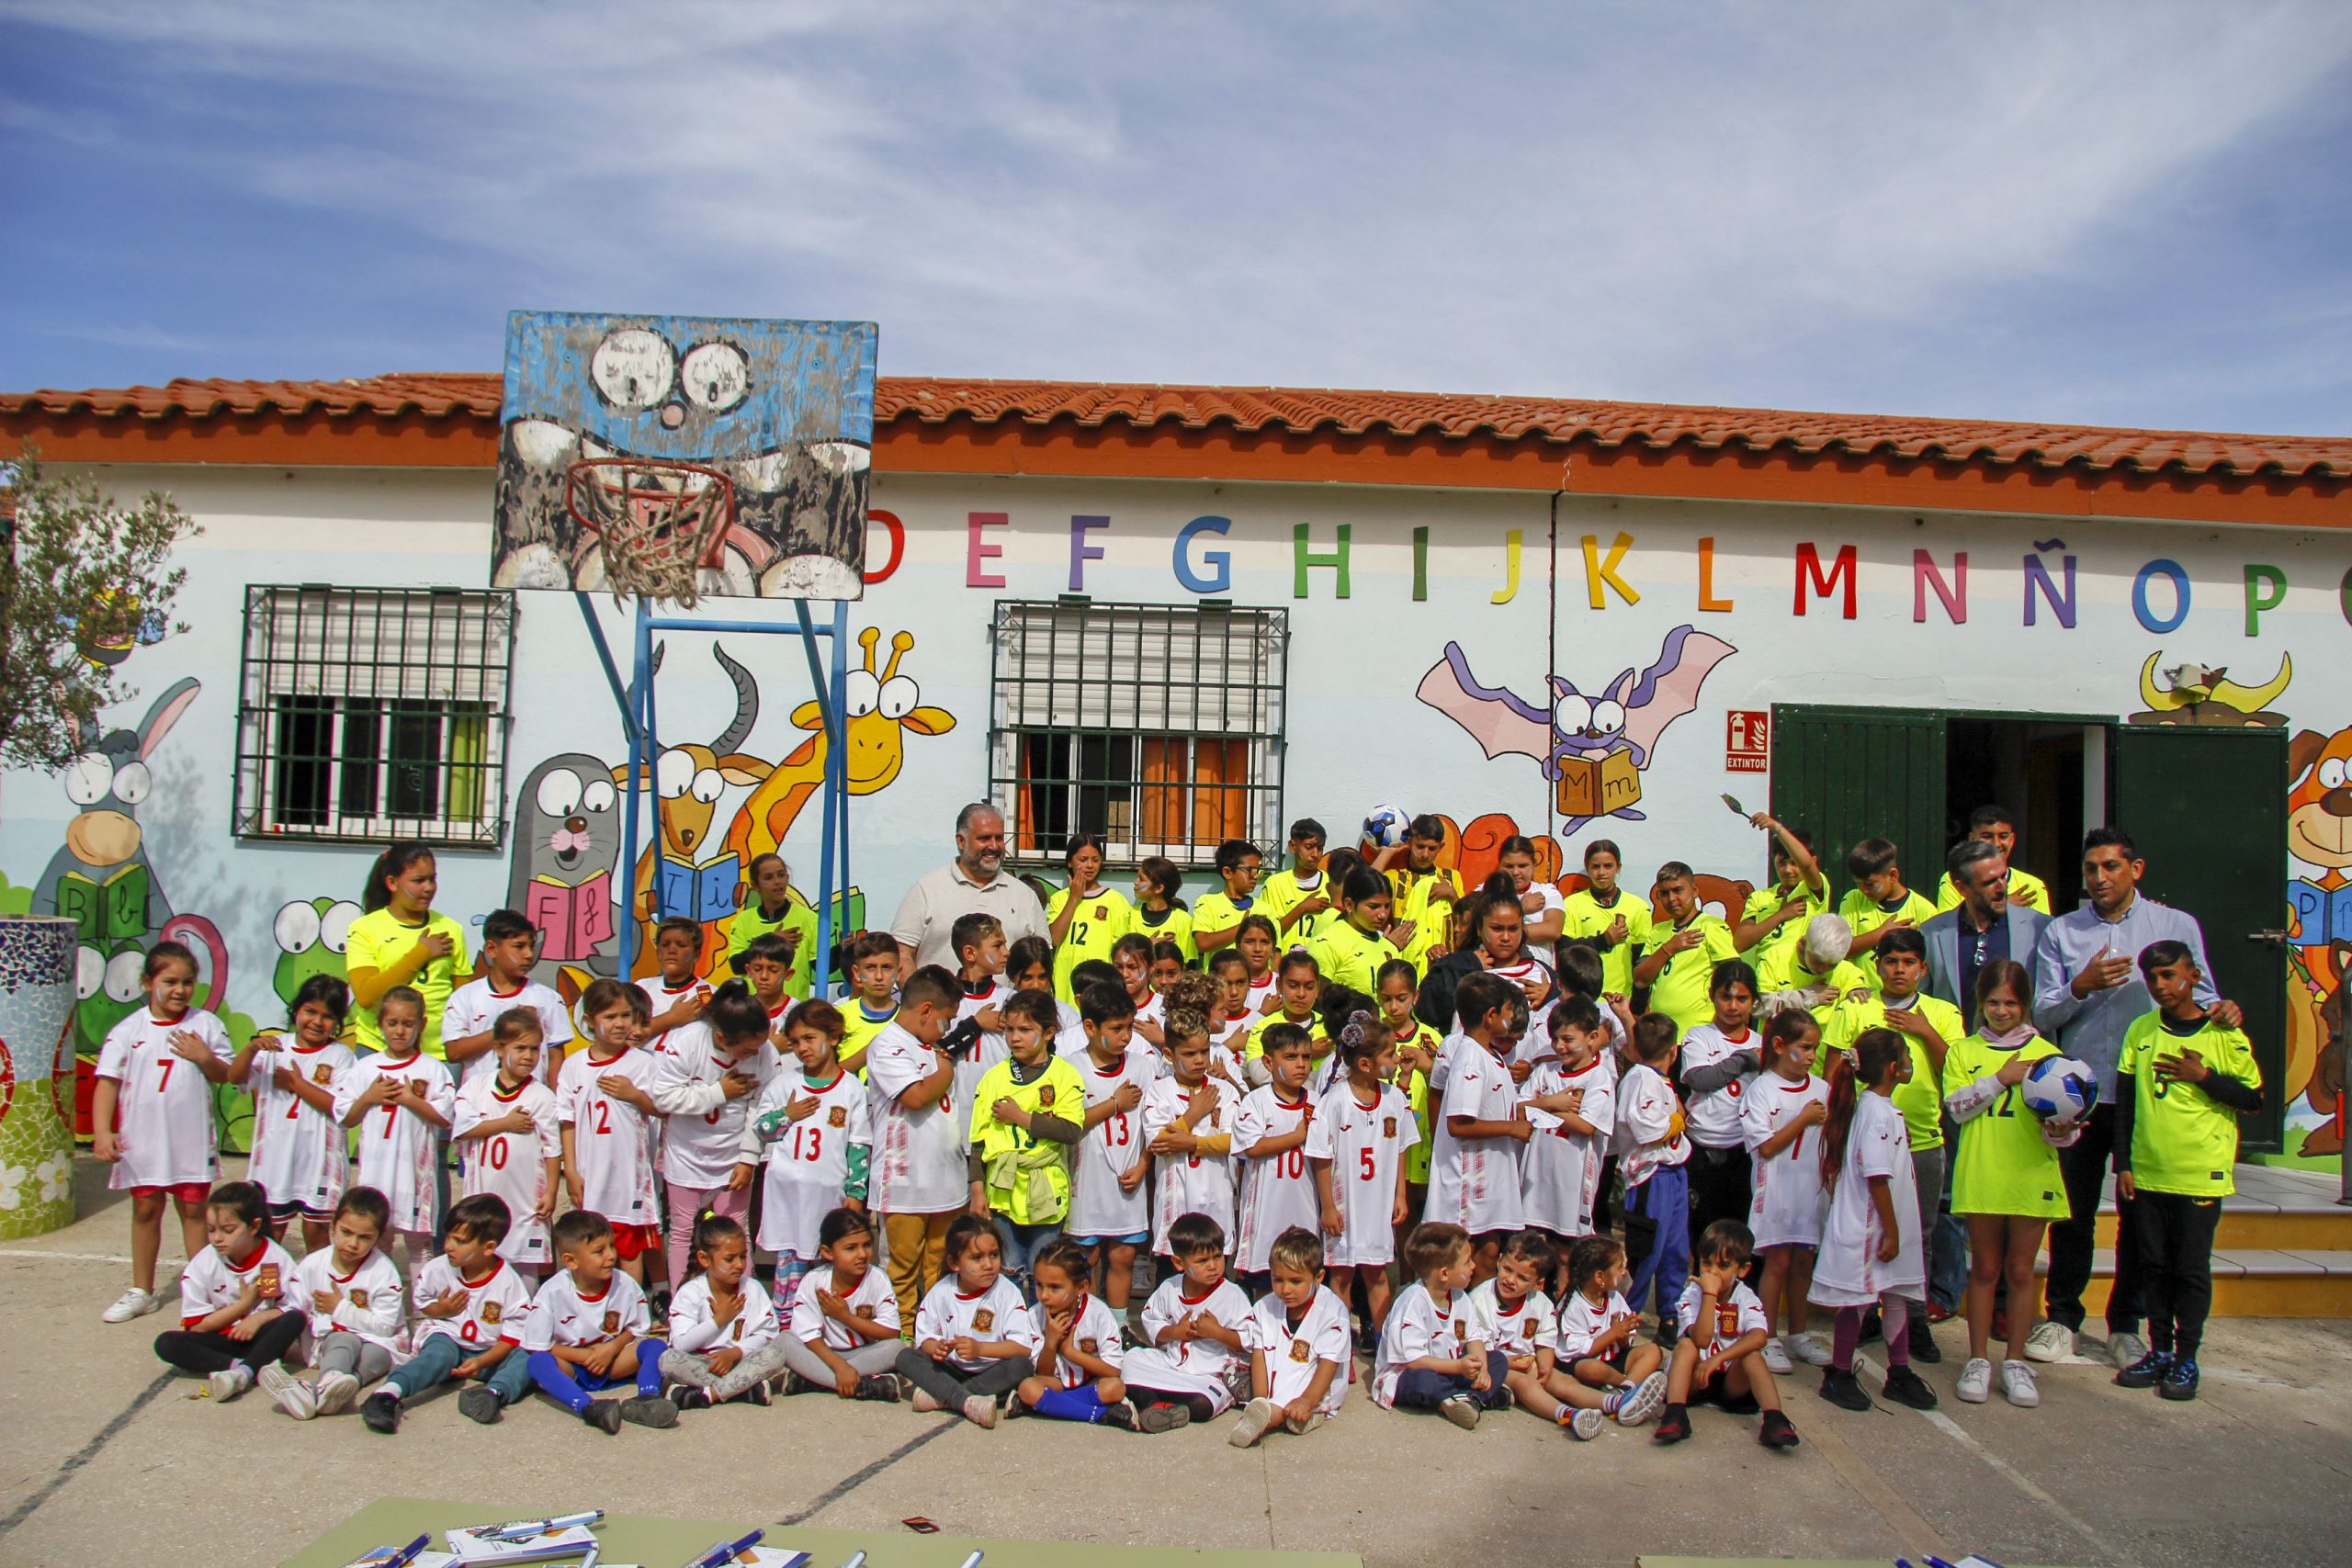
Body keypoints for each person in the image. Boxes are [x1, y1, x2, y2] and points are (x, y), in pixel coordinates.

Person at [2030, 827, 2234, 1369]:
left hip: (2151, 1094)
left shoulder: (2175, 925)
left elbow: (2205, 996)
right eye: (2091, 869)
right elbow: (2042, 1015)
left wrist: (2225, 1011)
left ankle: (2126, 1322)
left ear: (2135, 869)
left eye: (2111, 867)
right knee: (2071, 1211)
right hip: (2080, 1089)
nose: (2099, 878)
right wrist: (2083, 984)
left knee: (2138, 1214)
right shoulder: (2062, 932)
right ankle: (2063, 1317)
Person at [2111, 941, 2265, 1402]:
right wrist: (2123, 1163)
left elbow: (2253, 1099)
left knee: (2190, 1267)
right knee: (2153, 1264)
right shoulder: (2140, 1030)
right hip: (2149, 1171)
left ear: (2193, 976)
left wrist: (2205, 1079)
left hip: (2199, 1172)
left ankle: (2187, 1356)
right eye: (2153, 978)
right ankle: (2158, 1350)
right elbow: (2126, 1103)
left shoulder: (2222, 1033)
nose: (2161, 986)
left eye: (2170, 976)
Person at [1820, 925, 1962, 1363]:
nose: (1899, 970)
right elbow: (1831, 1075)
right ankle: (1865, 1314)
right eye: (1890, 962)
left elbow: (1958, 1072)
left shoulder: (1942, 1012)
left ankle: (1915, 1321)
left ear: (1922, 969)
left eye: (1908, 963)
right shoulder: (1857, 1008)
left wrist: (1923, 1031)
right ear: (1876, 966)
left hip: (1923, 1141)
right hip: (1865, 1142)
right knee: (1868, 1229)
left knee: (1920, 1233)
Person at [1944, 959, 2072, 1407]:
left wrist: (2063, 1130)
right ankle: (1977, 1359)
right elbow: (1957, 1108)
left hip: (2030, 1172)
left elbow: (2066, 1121)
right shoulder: (1963, 1051)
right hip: (1983, 1171)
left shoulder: (2048, 1056)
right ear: (1980, 1004)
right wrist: (2001, 1078)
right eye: (1993, 1003)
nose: (2001, 1011)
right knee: (1983, 1269)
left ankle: (2016, 1362)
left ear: (2025, 1004)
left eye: (2011, 1003)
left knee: (2020, 1271)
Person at [95, 940, 232, 1324]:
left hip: (189, 1141)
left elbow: (228, 1074)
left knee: (193, 1211)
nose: (179, 990)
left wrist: (204, 1057)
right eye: (170, 981)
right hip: (144, 1142)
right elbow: (107, 1082)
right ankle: (143, 1290)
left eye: (188, 982)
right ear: (146, 982)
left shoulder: (205, 1025)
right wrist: (102, 1132)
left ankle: (205, 1291)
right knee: (146, 1208)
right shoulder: (129, 1029)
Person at [1810, 1028, 1937, 1413]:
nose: (1912, 1065)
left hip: (1887, 1224)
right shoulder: (1875, 1113)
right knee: (1859, 1299)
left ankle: (1899, 1372)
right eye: (1909, 1059)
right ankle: (1839, 1372)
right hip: (1873, 1228)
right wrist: (1893, 1231)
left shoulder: (1881, 1109)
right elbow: (1876, 1175)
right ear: (1895, 1068)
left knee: (1895, 1293)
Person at [358, 1193, 534, 1433]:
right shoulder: (439, 1268)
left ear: (489, 1247)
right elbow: (422, 1301)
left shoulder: (509, 1283)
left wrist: (482, 1361)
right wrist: (441, 1310)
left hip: (488, 1352)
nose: (448, 1245)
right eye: (449, 1236)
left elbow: (512, 1336)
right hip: (449, 1338)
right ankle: (387, 1394)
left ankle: (492, 1395)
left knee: (527, 1359)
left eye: (459, 1240)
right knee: (437, 1356)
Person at [739, 998, 872, 1309]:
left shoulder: (851, 1089)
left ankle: (824, 1327)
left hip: (828, 1196)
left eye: (810, 1038)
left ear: (834, 1037)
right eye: (796, 1041)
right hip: (787, 1196)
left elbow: (859, 1145)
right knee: (790, 1265)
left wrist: (856, 1191)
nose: (802, 1048)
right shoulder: (785, 1084)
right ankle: (786, 1325)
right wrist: (787, 1115)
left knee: (827, 1265)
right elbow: (761, 1128)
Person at [869, 965, 984, 1322]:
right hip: (905, 1184)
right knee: (902, 1266)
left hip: (947, 1183)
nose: (947, 1029)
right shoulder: (887, 1044)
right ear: (925, 1011)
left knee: (941, 1265)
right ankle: (899, 1329)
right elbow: (916, 1097)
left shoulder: (930, 1046)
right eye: (946, 1020)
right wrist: (946, 1070)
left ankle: (935, 1326)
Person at [649, 979, 779, 1290]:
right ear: (721, 1037)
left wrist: (748, 1159)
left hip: (732, 1158)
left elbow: (760, 1109)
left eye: (758, 1048)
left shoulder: (764, 1053)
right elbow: (664, 1098)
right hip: (685, 1155)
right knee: (682, 1231)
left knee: (736, 1230)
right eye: (746, 1050)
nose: (753, 1054)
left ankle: (745, 1303)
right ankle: (681, 1302)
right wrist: (718, 1092)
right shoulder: (686, 1043)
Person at [1306, 1012, 1417, 1337]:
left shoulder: (1395, 1099)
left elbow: (1400, 1149)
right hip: (1346, 1206)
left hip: (1378, 1206)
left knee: (1378, 1274)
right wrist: (1328, 1206)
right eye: (1390, 1054)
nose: (1396, 1060)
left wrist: (1400, 1195)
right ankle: (1338, 1350)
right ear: (1366, 1064)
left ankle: (1385, 1349)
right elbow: (1322, 1157)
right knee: (1340, 1276)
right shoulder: (1334, 1101)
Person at [966, 988, 1085, 1286]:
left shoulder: (1064, 1076)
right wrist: (977, 1190)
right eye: (1009, 1030)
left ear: (1048, 1032)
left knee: (1043, 1269)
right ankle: (1014, 1331)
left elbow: (1070, 1130)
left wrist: (1021, 1117)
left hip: (1046, 1189)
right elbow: (979, 1140)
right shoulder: (993, 1077)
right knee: (1008, 1270)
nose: (1015, 1038)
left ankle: (1042, 1330)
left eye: (1025, 1030)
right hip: (1002, 1191)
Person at [334, 985, 454, 1278]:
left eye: (408, 1023)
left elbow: (445, 1118)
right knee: (377, 1243)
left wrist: (412, 1100)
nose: (400, 1031)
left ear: (422, 1024)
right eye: (393, 1023)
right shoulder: (365, 1068)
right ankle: (379, 1304)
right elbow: (345, 1117)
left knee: (419, 1246)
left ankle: (425, 1313)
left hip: (415, 1177)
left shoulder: (433, 1069)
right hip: (377, 1174)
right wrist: (368, 1098)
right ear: (380, 1024)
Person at [522, 1208, 679, 1432]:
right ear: (571, 1261)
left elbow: (637, 1329)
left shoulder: (625, 1284)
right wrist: (583, 1356)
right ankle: (590, 1408)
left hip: (613, 1361)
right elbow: (539, 1345)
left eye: (611, 1246)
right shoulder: (551, 1292)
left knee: (655, 1346)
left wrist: (612, 1348)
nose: (611, 1256)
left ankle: (647, 1397)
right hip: (573, 1366)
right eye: (599, 1251)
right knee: (537, 1363)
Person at [231, 973, 354, 1252]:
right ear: (296, 1009)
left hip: (319, 1163)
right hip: (274, 1161)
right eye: (310, 1011)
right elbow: (235, 1078)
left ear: (337, 1022)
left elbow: (338, 1107)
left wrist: (296, 1084)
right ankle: (270, 1293)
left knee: (316, 1232)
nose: (317, 1022)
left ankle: (313, 1293)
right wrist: (250, 1049)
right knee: (270, 1235)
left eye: (328, 1016)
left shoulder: (340, 1056)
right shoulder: (272, 1048)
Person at [150, 1179, 302, 1403]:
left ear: (254, 1226)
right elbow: (197, 1327)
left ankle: (243, 1374)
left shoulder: (274, 1259)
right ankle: (243, 1368)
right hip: (219, 1340)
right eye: (211, 1230)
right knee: (166, 1343)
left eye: (228, 1230)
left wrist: (258, 1318)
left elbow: (291, 1306)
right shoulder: (203, 1264)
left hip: (258, 1337)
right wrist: (244, 1305)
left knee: (294, 1319)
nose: (217, 1238)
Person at [556, 978, 665, 1288]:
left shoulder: (644, 1064)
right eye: (610, 1017)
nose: (620, 1024)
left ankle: (634, 1307)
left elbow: (664, 1110)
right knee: (592, 1241)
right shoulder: (573, 1066)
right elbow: (567, 1121)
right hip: (591, 1173)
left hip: (629, 1175)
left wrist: (634, 1095)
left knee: (630, 1246)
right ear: (590, 1021)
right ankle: (594, 1305)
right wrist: (572, 1171)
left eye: (625, 1016)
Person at [1653, 1219, 1800, 1448]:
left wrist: (1718, 1359)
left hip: (1731, 1381)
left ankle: (1774, 1419)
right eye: (1706, 1263)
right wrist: (1709, 1295)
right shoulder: (1692, 1294)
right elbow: (1701, 1340)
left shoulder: (1745, 1296)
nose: (1711, 1272)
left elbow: (1760, 1337)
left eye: (1722, 1266)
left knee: (1752, 1355)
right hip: (1694, 1380)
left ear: (1742, 1270)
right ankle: (1675, 1414)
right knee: (1685, 1346)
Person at [1741, 1010, 1831, 1375]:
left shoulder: (1821, 1088)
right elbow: (1766, 1147)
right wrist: (1802, 1120)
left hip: (1809, 1191)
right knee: (1776, 1262)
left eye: (1815, 1048)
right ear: (1779, 1045)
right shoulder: (1761, 1090)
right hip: (1776, 1191)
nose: (1810, 1056)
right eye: (1804, 1048)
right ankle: (1769, 1336)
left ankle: (1799, 1333)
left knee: (1802, 1262)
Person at [266, 1184, 402, 1420]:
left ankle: (326, 1390)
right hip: (333, 1341)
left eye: (364, 1237)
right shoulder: (313, 1264)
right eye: (346, 1232)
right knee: (344, 1338)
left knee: (381, 1355)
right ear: (333, 1226)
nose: (353, 1243)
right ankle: (329, 1380)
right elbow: (294, 1307)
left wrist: (339, 1307)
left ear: (378, 1238)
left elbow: (386, 1327)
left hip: (375, 1339)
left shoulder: (384, 1272)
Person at [897, 1212, 1040, 1427]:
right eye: (977, 1258)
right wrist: (936, 1348)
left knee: (1022, 1367)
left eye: (993, 1255)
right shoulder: (941, 1291)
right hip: (951, 1368)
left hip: (991, 1370)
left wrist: (980, 1349)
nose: (988, 1264)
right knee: (906, 1357)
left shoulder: (1007, 1292)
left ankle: (943, 1397)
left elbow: (1021, 1348)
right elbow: (925, 1339)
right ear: (955, 1263)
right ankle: (968, 1401)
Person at [1068, 978, 1155, 1314]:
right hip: (1087, 1183)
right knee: (1085, 1259)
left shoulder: (1142, 1066)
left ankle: (1118, 1329)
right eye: (1116, 1028)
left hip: (1127, 1183)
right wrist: (1115, 1104)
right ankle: (1084, 1324)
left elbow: (1152, 1126)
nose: (1125, 1036)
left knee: (1123, 1256)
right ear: (1090, 1027)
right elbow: (1069, 1123)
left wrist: (1144, 1165)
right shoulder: (1072, 1067)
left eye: (1129, 1027)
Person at [450, 1010, 561, 1273]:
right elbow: (464, 1128)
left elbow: (552, 1149)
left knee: (525, 1273)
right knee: (481, 1264)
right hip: (484, 1191)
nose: (528, 1056)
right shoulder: (476, 1087)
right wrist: (505, 1124)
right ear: (499, 1048)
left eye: (534, 1049)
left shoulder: (542, 1096)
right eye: (520, 1048)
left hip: (524, 1198)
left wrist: (552, 1191)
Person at [1472, 1231, 1608, 1438]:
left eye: (1523, 1278)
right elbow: (1479, 1348)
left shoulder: (1540, 1303)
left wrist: (1544, 1366)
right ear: (1499, 1261)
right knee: (1526, 1384)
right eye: (1508, 1269)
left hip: (1528, 1362)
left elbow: (1545, 1338)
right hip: (1494, 1366)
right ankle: (1568, 1415)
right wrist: (1508, 1363)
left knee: (1562, 1380)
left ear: (1538, 1282)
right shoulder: (1480, 1300)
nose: (1510, 1280)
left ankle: (1615, 1404)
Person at [1123, 1212, 1252, 1429]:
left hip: (1209, 1376)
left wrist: (1217, 1332)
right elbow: (1151, 1321)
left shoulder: (1232, 1294)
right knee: (1128, 1361)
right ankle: (1155, 1406)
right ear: (1179, 1262)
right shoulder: (1169, 1287)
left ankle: (1150, 1403)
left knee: (1204, 1404)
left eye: (1217, 1257)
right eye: (1202, 1261)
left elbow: (1249, 1340)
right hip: (1171, 1366)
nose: (1213, 1266)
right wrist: (1176, 1332)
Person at [890, 803, 1047, 977]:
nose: (994, 846)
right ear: (961, 841)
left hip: (1008, 1005)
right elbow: (902, 954)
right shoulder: (926, 890)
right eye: (984, 838)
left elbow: (1042, 959)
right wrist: (919, 1002)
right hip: (938, 1005)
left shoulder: (1024, 895)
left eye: (999, 838)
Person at [1372, 1221, 1504, 1427]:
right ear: (1443, 1273)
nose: (1473, 1266)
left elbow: (1474, 1337)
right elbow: (1414, 1361)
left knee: (1497, 1360)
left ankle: (1464, 1400)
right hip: (1408, 1373)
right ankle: (1473, 1398)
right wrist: (1458, 1367)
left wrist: (1483, 1369)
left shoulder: (1461, 1297)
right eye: (1467, 1262)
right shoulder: (1413, 1302)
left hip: (1450, 1369)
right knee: (1424, 1381)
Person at [343, 842, 468, 1061]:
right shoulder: (364, 928)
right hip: (378, 1050)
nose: (428, 888)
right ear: (392, 882)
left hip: (437, 1056)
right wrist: (421, 953)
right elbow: (366, 995)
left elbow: (463, 1000)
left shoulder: (451, 929)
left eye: (432, 879)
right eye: (418, 881)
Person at [1521, 996, 1617, 1270]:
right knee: (1533, 1250)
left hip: (1572, 1183)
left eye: (1567, 1039)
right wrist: (1551, 1103)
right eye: (1555, 1040)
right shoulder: (1545, 1072)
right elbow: (1517, 1109)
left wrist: (1541, 1110)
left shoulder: (1598, 1079)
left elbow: (1586, 1126)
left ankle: (1564, 1309)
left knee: (1566, 1256)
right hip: (1536, 1180)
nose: (1560, 1047)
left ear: (1592, 1037)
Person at [1229, 1225, 1350, 1446]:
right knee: (1270, 1399)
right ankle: (1275, 1414)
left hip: (1315, 1385)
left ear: (1318, 1277)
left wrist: (1307, 1400)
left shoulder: (1333, 1312)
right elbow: (1259, 1356)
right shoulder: (1263, 1308)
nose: (1285, 1289)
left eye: (1295, 1281)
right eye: (1278, 1280)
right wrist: (1261, 1398)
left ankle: (1265, 1421)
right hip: (1276, 1382)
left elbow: (1328, 1364)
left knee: (1294, 1397)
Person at [660, 1210, 788, 1410]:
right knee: (667, 1360)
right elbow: (681, 1344)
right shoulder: (690, 1292)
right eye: (729, 1259)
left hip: (740, 1361)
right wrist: (718, 1320)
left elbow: (766, 1334)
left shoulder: (752, 1289)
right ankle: (744, 1389)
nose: (739, 1265)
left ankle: (708, 1394)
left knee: (776, 1354)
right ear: (704, 1259)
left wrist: (735, 1353)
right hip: (703, 1363)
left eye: (743, 1256)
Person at [777, 1207, 908, 1402]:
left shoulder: (877, 1278)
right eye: (851, 1248)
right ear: (828, 1252)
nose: (862, 1254)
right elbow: (808, 1336)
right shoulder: (814, 1281)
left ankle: (815, 1381)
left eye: (866, 1245)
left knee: (898, 1347)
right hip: (824, 1355)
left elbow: (891, 1333)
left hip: (864, 1355)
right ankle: (863, 1385)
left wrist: (845, 1317)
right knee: (783, 1341)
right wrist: (840, 1367)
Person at [1922, 840, 2051, 1032]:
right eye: (1990, 882)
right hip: (1957, 1055)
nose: (2002, 887)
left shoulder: (2039, 928)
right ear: (1962, 888)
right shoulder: (1931, 933)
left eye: (2003, 876)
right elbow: (1921, 1001)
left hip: (2021, 1055)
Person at [1143, 1010, 1238, 1266]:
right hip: (1175, 1205)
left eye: (1204, 1052)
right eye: (1189, 1054)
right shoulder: (1159, 1092)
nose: (1199, 1060)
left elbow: (1234, 1141)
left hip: (1217, 1201)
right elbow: (1159, 1143)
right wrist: (1193, 1114)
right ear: (1169, 1055)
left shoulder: (1225, 1091)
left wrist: (1191, 1143)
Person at [1013, 1235, 1139, 1427]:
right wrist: (1051, 1343)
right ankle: (1100, 1415)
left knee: (1115, 1387)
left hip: (1091, 1385)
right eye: (1039, 1285)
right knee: (1028, 1388)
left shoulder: (1098, 1313)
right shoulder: (1034, 1315)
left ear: (1081, 1287)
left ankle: (1052, 1405)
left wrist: (1069, 1352)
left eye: (1055, 1287)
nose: (1044, 1295)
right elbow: (1041, 1372)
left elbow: (1113, 1370)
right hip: (1054, 1384)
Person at [1617, 1012, 1691, 1337]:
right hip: (1650, 1177)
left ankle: (1670, 1313)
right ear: (1673, 1051)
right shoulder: (1640, 1078)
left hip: (1674, 1172)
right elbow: (1647, 1128)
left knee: (1675, 1248)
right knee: (1645, 1252)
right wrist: (1677, 1118)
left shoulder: (1657, 1079)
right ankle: (1624, 1317)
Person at [1679, 958, 1763, 1243]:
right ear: (1712, 995)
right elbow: (1700, 1079)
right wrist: (1744, 1060)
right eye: (1725, 997)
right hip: (1703, 1151)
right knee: (1702, 1236)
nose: (1733, 1006)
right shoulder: (1698, 1037)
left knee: (1739, 1236)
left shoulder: (1762, 1044)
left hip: (1744, 1153)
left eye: (1742, 998)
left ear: (1754, 1001)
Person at [442, 909, 574, 1088]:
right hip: (479, 1106)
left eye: (531, 947)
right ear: (491, 949)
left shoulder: (548, 999)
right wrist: (508, 1028)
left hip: (532, 1105)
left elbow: (556, 1059)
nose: (528, 954)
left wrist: (555, 1105)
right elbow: (454, 1052)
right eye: (519, 946)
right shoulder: (464, 997)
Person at [1235, 1025, 1321, 1282]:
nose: (1301, 1065)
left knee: (1303, 1274)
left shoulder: (1318, 1102)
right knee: (1265, 1278)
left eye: (1306, 1057)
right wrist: (1297, 1137)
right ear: (1268, 1062)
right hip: (1266, 1207)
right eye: (1291, 1057)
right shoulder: (1255, 1102)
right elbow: (1252, 1147)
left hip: (1305, 1204)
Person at [1555, 1234, 1668, 1424]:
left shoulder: (1615, 1298)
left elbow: (1624, 1346)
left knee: (1653, 1350)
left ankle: (1625, 1390)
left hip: (1614, 1360)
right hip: (1585, 1364)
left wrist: (1623, 1336)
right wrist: (1613, 1333)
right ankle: (1631, 1388)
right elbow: (1582, 1351)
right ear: (1599, 1276)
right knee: (1592, 1369)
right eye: (1620, 1268)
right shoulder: (1573, 1306)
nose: (1624, 1272)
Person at [1634, 863, 1739, 1035]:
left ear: (1695, 891)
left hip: (1699, 1032)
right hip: (1661, 1034)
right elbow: (1640, 979)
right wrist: (1668, 948)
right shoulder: (1658, 931)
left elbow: (1733, 977)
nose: (1672, 898)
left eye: (1678, 890)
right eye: (1665, 893)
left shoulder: (1711, 926)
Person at [1734, 814, 1829, 967]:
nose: (1787, 870)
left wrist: (1777, 828)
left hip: (1801, 984)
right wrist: (1781, 915)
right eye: (1781, 863)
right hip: (1766, 982)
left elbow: (1806, 865)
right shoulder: (1759, 897)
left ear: (1814, 861)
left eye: (1793, 863)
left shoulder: (1813, 889)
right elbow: (1740, 943)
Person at [1561, 840, 1652, 1001]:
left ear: (1619, 867)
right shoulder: (1571, 904)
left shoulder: (1637, 907)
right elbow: (1564, 950)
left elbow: (1641, 962)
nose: (1601, 872)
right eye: (1595, 867)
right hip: (1582, 999)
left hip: (1622, 1000)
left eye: (1608, 866)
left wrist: (1637, 1006)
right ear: (1587, 867)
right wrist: (1604, 940)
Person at [1837, 838, 1937, 981]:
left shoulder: (1924, 909)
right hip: (1862, 997)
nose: (1863, 889)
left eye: (1869, 883)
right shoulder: (1852, 900)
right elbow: (1838, 951)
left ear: (1893, 875)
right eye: (1857, 883)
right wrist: (1881, 933)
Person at [1046, 833, 1131, 1000]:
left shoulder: (1115, 900)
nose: (1090, 866)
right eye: (1083, 860)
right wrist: (1074, 898)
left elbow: (1122, 948)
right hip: (1066, 980)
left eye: (1096, 860)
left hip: (1100, 981)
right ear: (1070, 862)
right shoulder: (1060, 899)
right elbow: (1054, 938)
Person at [726, 852, 819, 998]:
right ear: (755, 885)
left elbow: (821, 967)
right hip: (753, 1010)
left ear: (787, 878)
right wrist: (770, 940)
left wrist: (843, 949)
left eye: (781, 875)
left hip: (793, 1011)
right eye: (768, 877)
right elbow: (736, 965)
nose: (777, 882)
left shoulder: (809, 919)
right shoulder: (743, 921)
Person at [1375, 814, 1460, 973]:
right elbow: (1364, 886)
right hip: (1404, 965)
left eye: (1432, 848)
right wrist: (1386, 853)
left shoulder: (1451, 878)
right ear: (1409, 842)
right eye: (1420, 846)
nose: (1425, 854)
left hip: (1444, 964)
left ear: (1441, 847)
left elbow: (1465, 920)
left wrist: (1452, 895)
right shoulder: (1394, 878)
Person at [1936, 805, 2053, 917]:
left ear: (2012, 840)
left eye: (2003, 836)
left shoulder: (2032, 885)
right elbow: (1947, 926)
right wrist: (2004, 907)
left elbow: (2040, 932)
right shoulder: (1954, 879)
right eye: (1987, 836)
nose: (1996, 844)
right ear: (1972, 839)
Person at [1307, 863, 1402, 995]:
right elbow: (1317, 1002)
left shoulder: (1389, 948)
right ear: (1349, 905)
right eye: (1373, 907)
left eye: (1387, 906)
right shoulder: (1328, 944)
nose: (1383, 914)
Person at [638, 916, 712, 1051]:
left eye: (681, 945)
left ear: (697, 955)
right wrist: (671, 1018)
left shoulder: (707, 992)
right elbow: (625, 1033)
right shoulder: (642, 988)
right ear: (657, 951)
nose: (671, 950)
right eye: (665, 945)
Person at [837, 930, 903, 1077]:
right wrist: (873, 1049)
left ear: (898, 972)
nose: (879, 976)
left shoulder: (908, 1019)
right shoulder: (839, 1016)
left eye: (886, 967)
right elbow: (826, 1074)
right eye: (870, 968)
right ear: (856, 972)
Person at [1261, 818, 1333, 942]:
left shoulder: (1331, 883)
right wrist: (1301, 909)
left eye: (1320, 848)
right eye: (1309, 847)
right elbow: (1265, 934)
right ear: (1293, 846)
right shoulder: (1275, 884)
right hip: (1285, 959)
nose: (1315, 854)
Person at [1191, 838, 1266, 955]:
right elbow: (1202, 944)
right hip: (1218, 973)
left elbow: (1275, 951)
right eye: (1251, 870)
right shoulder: (1208, 903)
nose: (1255, 877)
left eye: (1258, 871)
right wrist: (1243, 928)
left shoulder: (1264, 909)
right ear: (1228, 872)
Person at [1497, 835, 1565, 947]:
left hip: (1539, 965)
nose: (1515, 872)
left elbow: (1553, 931)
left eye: (1522, 866)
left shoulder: (1548, 892)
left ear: (1534, 864)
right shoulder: (1485, 891)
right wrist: (1520, 908)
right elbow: (1475, 931)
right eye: (1509, 866)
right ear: (1500, 865)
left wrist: (1498, 932)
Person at [1132, 855, 1197, 965]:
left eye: (1141, 879)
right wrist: (1147, 946)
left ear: (1159, 888)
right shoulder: (1130, 915)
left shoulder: (1183, 920)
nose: (1136, 882)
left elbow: (1190, 964)